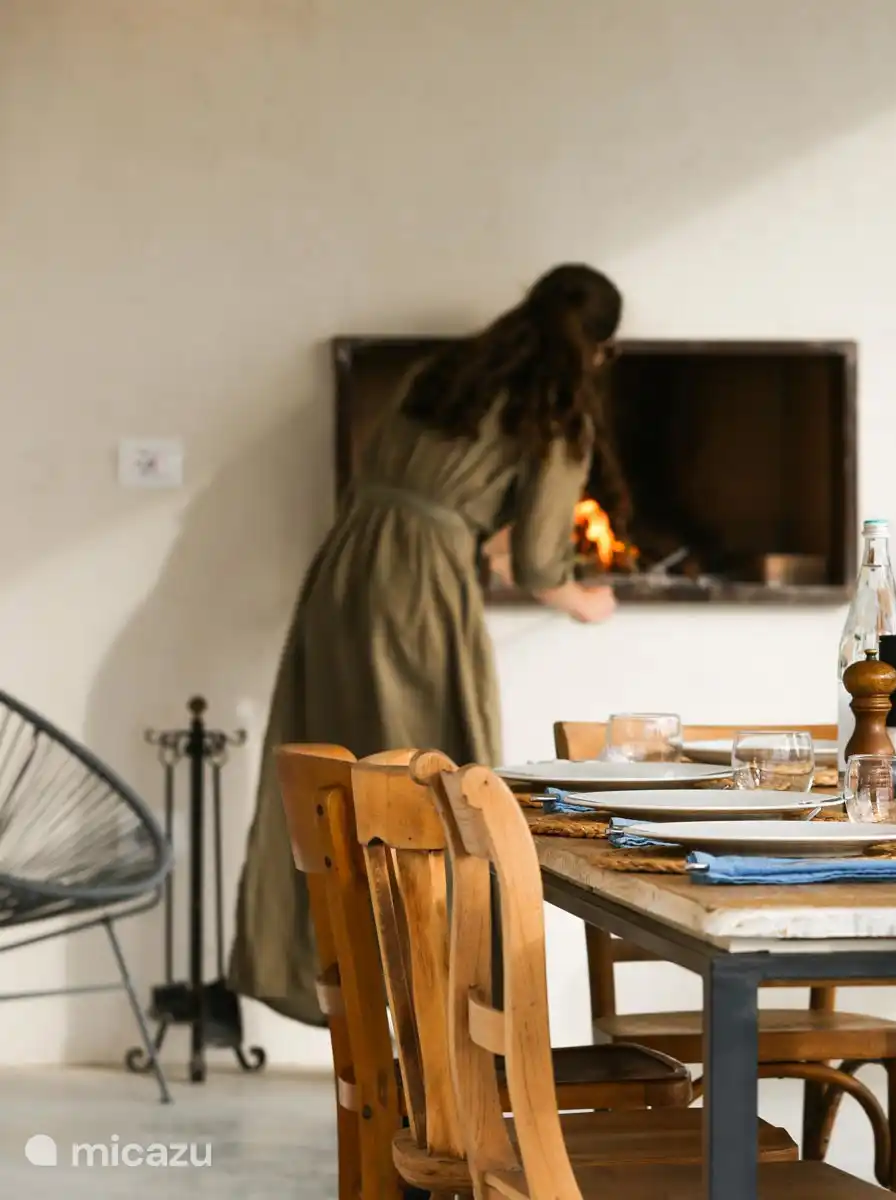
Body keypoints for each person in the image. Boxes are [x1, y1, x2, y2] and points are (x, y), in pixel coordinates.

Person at [228, 263, 623, 1025]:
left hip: (345, 569)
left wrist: (469, 536)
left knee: (343, 779)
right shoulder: (556, 411)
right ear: (599, 350)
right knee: (428, 789)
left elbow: (408, 484)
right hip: (416, 595)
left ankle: (349, 987)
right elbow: (546, 565)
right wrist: (587, 602)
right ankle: (436, 1007)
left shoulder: (445, 371)